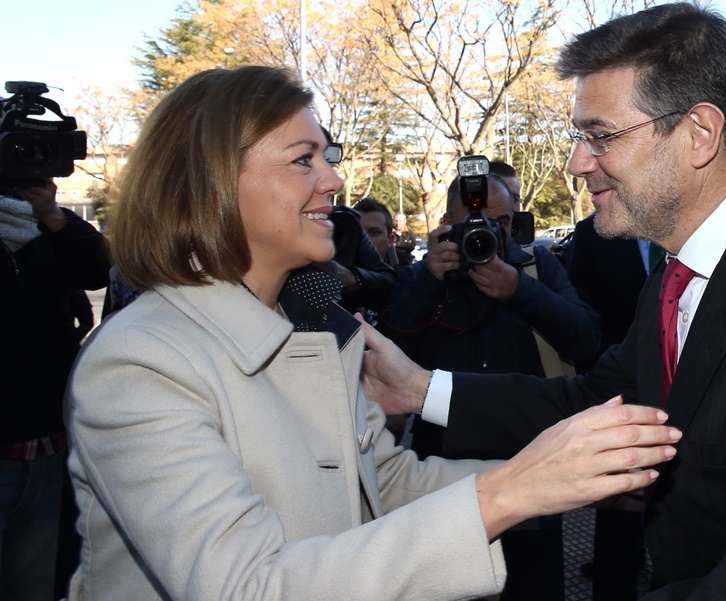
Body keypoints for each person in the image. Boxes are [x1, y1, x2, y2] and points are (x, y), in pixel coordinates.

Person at [362, 5, 726, 599]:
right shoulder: (677, 271)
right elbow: (592, 399)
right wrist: (420, 389)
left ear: (699, 134)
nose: (578, 163)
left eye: (600, 136)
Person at [64, 66, 680, 600]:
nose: (333, 182)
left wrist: (556, 485)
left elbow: (384, 483)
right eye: (303, 160)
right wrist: (510, 491)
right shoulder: (140, 364)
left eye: (325, 159)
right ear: (213, 185)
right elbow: (245, 585)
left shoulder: (309, 328)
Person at [381, 172, 599, 601]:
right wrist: (428, 281)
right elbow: (387, 353)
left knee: (534, 584)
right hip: (441, 466)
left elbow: (587, 338)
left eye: (499, 223)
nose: (487, 233)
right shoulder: (427, 275)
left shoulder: (535, 266)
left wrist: (521, 291)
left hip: (529, 457)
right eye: (474, 223)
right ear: (446, 223)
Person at [1, 178, 110, 600]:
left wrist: (51, 216)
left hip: (46, 448)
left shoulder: (34, 230)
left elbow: (96, 269)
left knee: (33, 586)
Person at [565, 213, 662, 599]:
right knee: (619, 506)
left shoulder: (690, 218)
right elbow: (581, 309)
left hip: (690, 381)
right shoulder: (594, 232)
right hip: (620, 390)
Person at [354, 197, 400, 268]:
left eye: (373, 233)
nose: (364, 239)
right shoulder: (334, 273)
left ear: (390, 239)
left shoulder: (402, 278)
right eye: (358, 232)